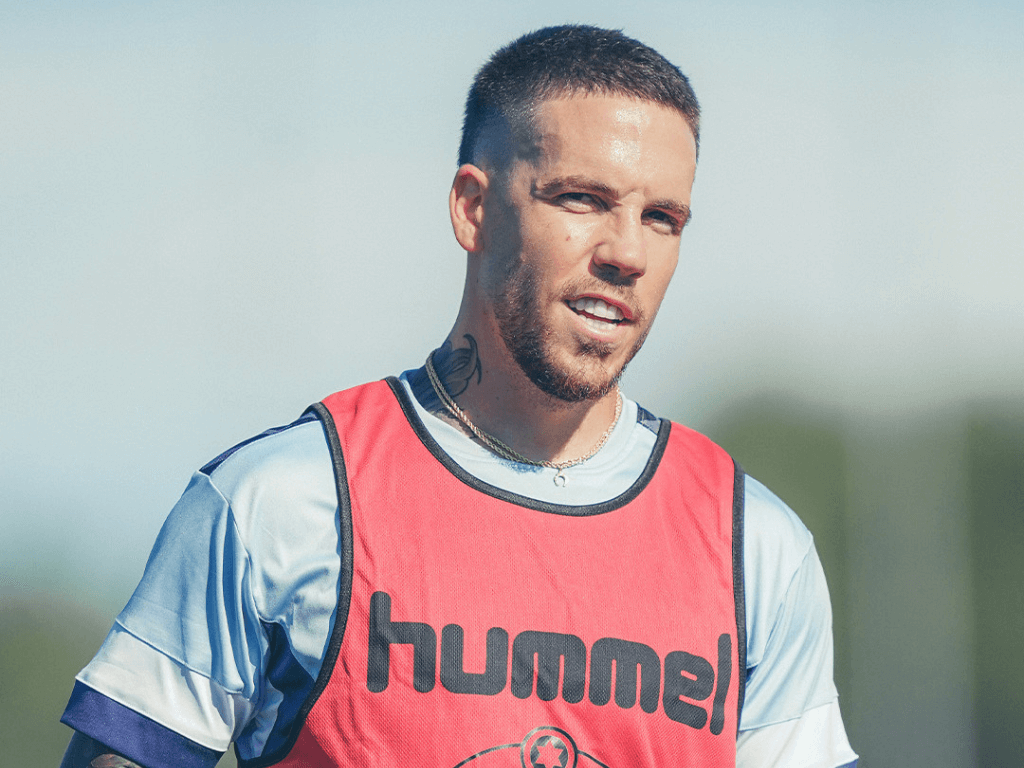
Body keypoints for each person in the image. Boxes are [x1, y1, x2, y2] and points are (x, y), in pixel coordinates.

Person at [60, 25, 858, 768]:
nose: (626, 252)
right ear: (473, 208)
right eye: (581, 200)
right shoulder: (282, 500)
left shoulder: (754, 547)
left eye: (662, 218)